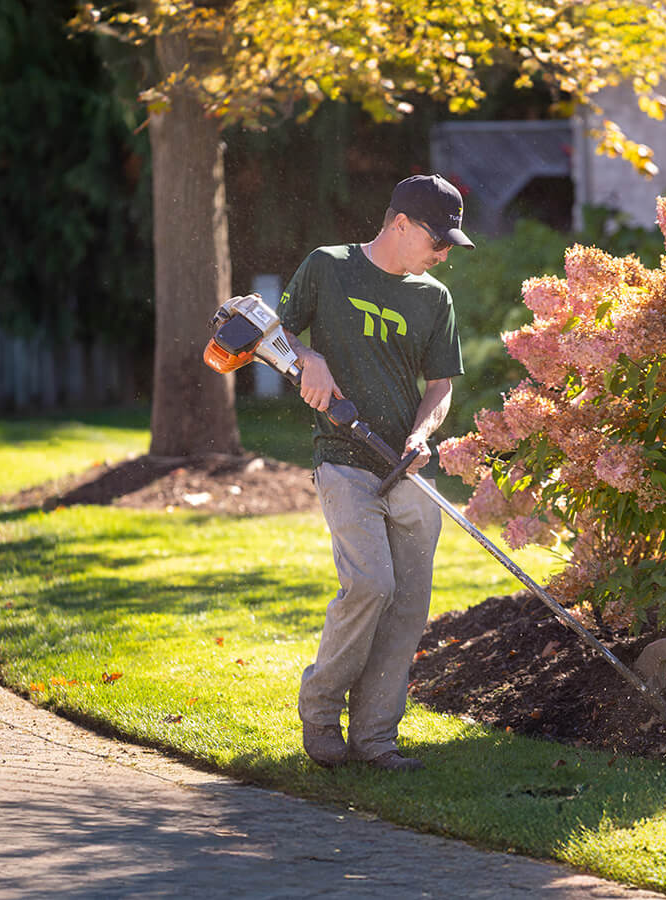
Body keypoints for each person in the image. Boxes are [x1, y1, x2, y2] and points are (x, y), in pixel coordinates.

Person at [278, 174, 475, 771]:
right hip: (345, 458)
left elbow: (440, 387)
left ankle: (375, 739)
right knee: (371, 586)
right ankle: (319, 710)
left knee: (410, 606)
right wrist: (308, 357)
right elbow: (275, 332)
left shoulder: (432, 297)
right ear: (400, 224)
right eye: (437, 240)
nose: (443, 254)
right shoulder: (327, 266)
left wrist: (422, 434)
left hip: (408, 466)